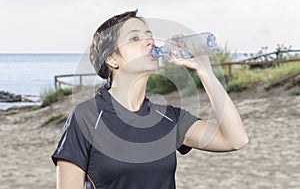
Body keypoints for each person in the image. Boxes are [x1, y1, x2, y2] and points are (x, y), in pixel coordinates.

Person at [51, 10, 248, 189]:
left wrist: (204, 70)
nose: (150, 41)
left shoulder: (168, 117)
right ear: (112, 59)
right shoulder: (86, 117)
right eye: (134, 38)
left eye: (149, 35)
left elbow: (235, 139)